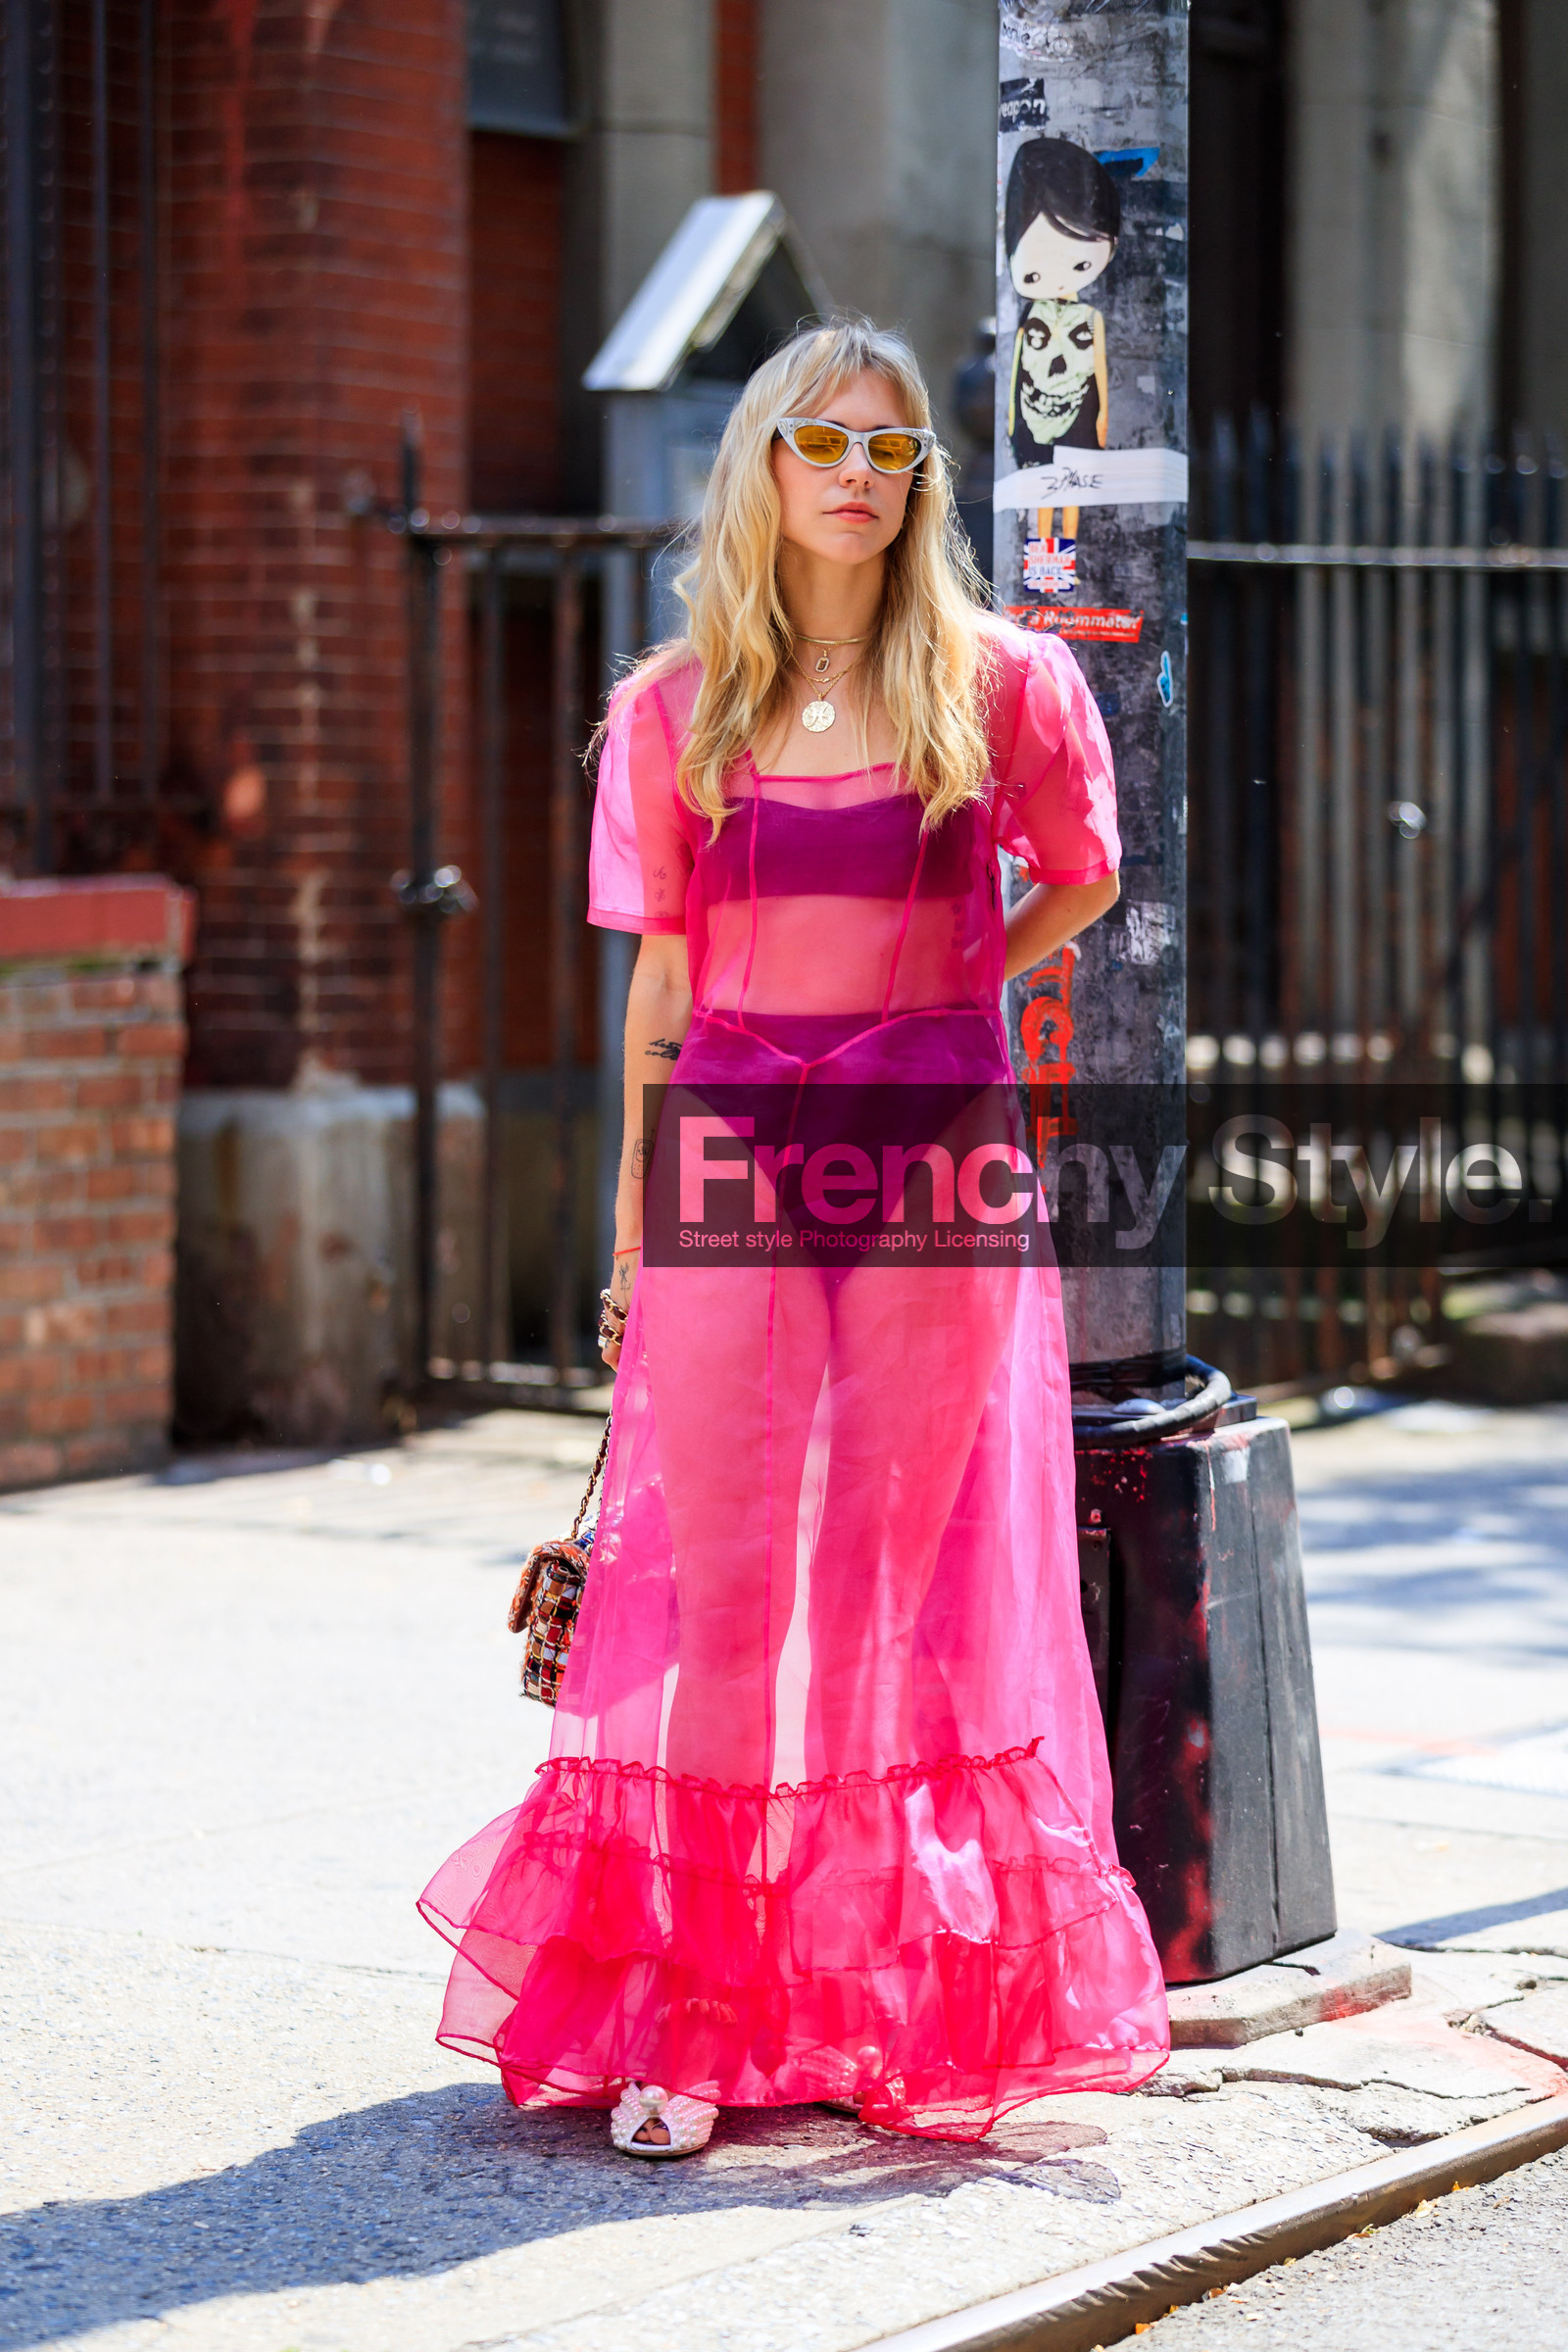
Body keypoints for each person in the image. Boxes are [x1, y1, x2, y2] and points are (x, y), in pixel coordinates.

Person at [419, 318, 1168, 2156]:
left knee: (899, 1594)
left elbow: (1086, 873)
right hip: (731, 1155)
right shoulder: (677, 709)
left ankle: (870, 2001)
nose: (856, 474)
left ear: (921, 481)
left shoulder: (1004, 688)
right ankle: (701, 2017)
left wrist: (949, 997)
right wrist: (625, 1249)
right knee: (732, 1590)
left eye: (892, 449)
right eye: (822, 443)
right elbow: (660, 995)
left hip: (935, 1157)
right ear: (762, 465)